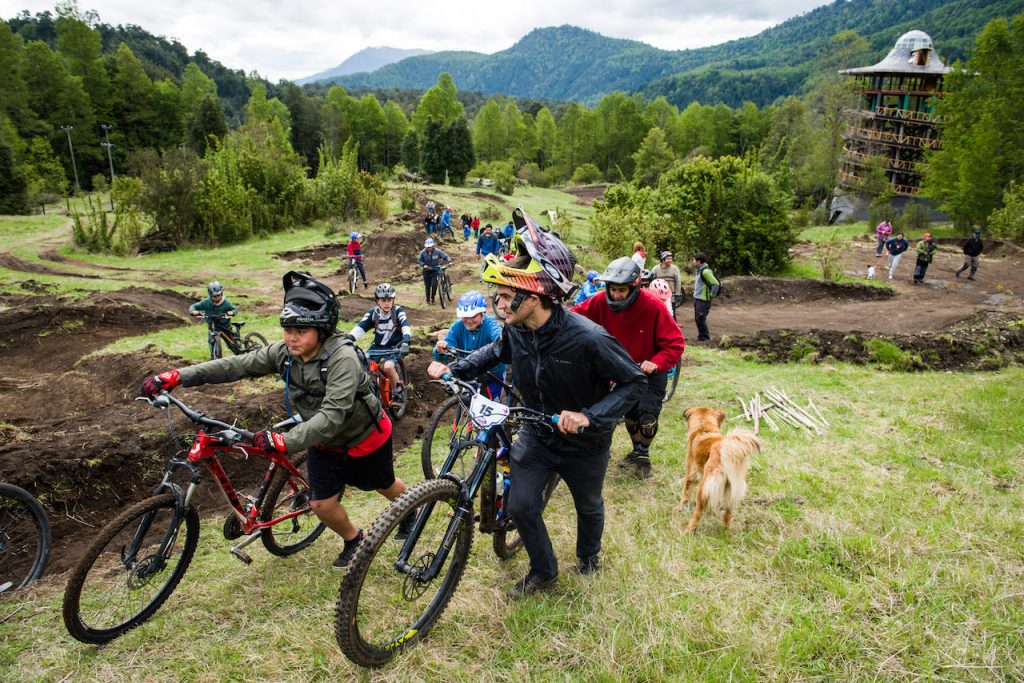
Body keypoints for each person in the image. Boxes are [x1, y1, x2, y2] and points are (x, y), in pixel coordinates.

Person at [428, 209, 646, 598]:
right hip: (537, 433)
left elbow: (634, 382)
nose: (501, 304)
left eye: (509, 296)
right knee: (522, 506)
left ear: (539, 295)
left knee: (588, 504)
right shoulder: (518, 330)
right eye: (500, 295)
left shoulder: (589, 338)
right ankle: (544, 571)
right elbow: (497, 351)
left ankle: (589, 557)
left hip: (584, 442)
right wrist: (455, 368)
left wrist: (589, 417)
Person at [142, 271, 410, 571]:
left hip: (363, 438)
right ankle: (353, 539)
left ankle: (409, 509)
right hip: (322, 441)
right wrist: (179, 376)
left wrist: (285, 441)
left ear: (321, 330)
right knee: (320, 504)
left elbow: (333, 415)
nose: (292, 337)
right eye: (287, 329)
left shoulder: (342, 359)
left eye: (301, 330)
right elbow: (237, 365)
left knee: (383, 485)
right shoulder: (284, 354)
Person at [573, 258, 685, 480]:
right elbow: (574, 316)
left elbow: (676, 343)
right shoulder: (599, 302)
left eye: (622, 290)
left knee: (647, 418)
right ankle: (637, 452)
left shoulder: (653, 306)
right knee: (631, 416)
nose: (616, 295)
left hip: (651, 371)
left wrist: (657, 362)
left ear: (634, 287)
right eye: (612, 289)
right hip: (621, 371)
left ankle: (643, 453)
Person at [433, 290, 506, 399]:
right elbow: (441, 352)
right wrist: (440, 350)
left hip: (493, 374)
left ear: (483, 313)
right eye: (465, 317)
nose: (469, 321)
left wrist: (499, 341)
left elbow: (499, 338)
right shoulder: (457, 327)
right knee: (468, 403)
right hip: (470, 373)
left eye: (473, 316)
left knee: (492, 407)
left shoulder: (491, 323)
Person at [348, 283, 411, 398]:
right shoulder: (373, 313)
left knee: (388, 367)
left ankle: (398, 391)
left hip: (393, 348)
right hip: (376, 348)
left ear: (393, 300)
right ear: (377, 301)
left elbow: (405, 325)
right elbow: (361, 327)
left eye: (389, 299)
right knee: (363, 365)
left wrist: (406, 340)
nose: (387, 303)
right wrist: (348, 339)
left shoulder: (398, 311)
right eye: (383, 300)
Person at [190, 281, 239, 347]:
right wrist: (193, 311)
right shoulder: (206, 302)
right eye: (214, 296)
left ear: (222, 293)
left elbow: (234, 309)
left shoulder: (226, 303)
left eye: (218, 295)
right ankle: (214, 355)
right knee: (211, 341)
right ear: (210, 295)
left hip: (224, 326)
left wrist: (232, 312)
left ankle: (238, 349)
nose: (217, 298)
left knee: (232, 344)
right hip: (212, 325)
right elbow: (194, 306)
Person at [692, 252, 719, 342]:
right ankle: (701, 337)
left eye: (694, 260)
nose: (693, 261)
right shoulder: (699, 270)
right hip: (698, 298)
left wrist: (711, 295)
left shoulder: (705, 271)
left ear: (699, 261)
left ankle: (706, 339)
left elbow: (715, 283)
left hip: (703, 300)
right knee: (698, 319)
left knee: (701, 319)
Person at [417, 238, 451, 304]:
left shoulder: (437, 251)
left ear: (433, 246)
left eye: (430, 247)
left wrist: (449, 260)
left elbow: (445, 256)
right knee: (427, 286)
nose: (429, 248)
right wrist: (423, 265)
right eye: (428, 247)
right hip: (426, 271)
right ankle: (427, 299)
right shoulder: (423, 253)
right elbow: (419, 260)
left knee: (434, 285)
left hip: (435, 270)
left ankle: (433, 297)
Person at [650, 251, 682, 318]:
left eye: (671, 258)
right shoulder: (655, 269)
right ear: (663, 259)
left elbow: (678, 282)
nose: (670, 260)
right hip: (658, 297)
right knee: (658, 314)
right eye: (668, 259)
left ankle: (672, 328)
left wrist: (678, 293)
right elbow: (650, 281)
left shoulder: (675, 269)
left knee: (671, 315)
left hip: (671, 296)